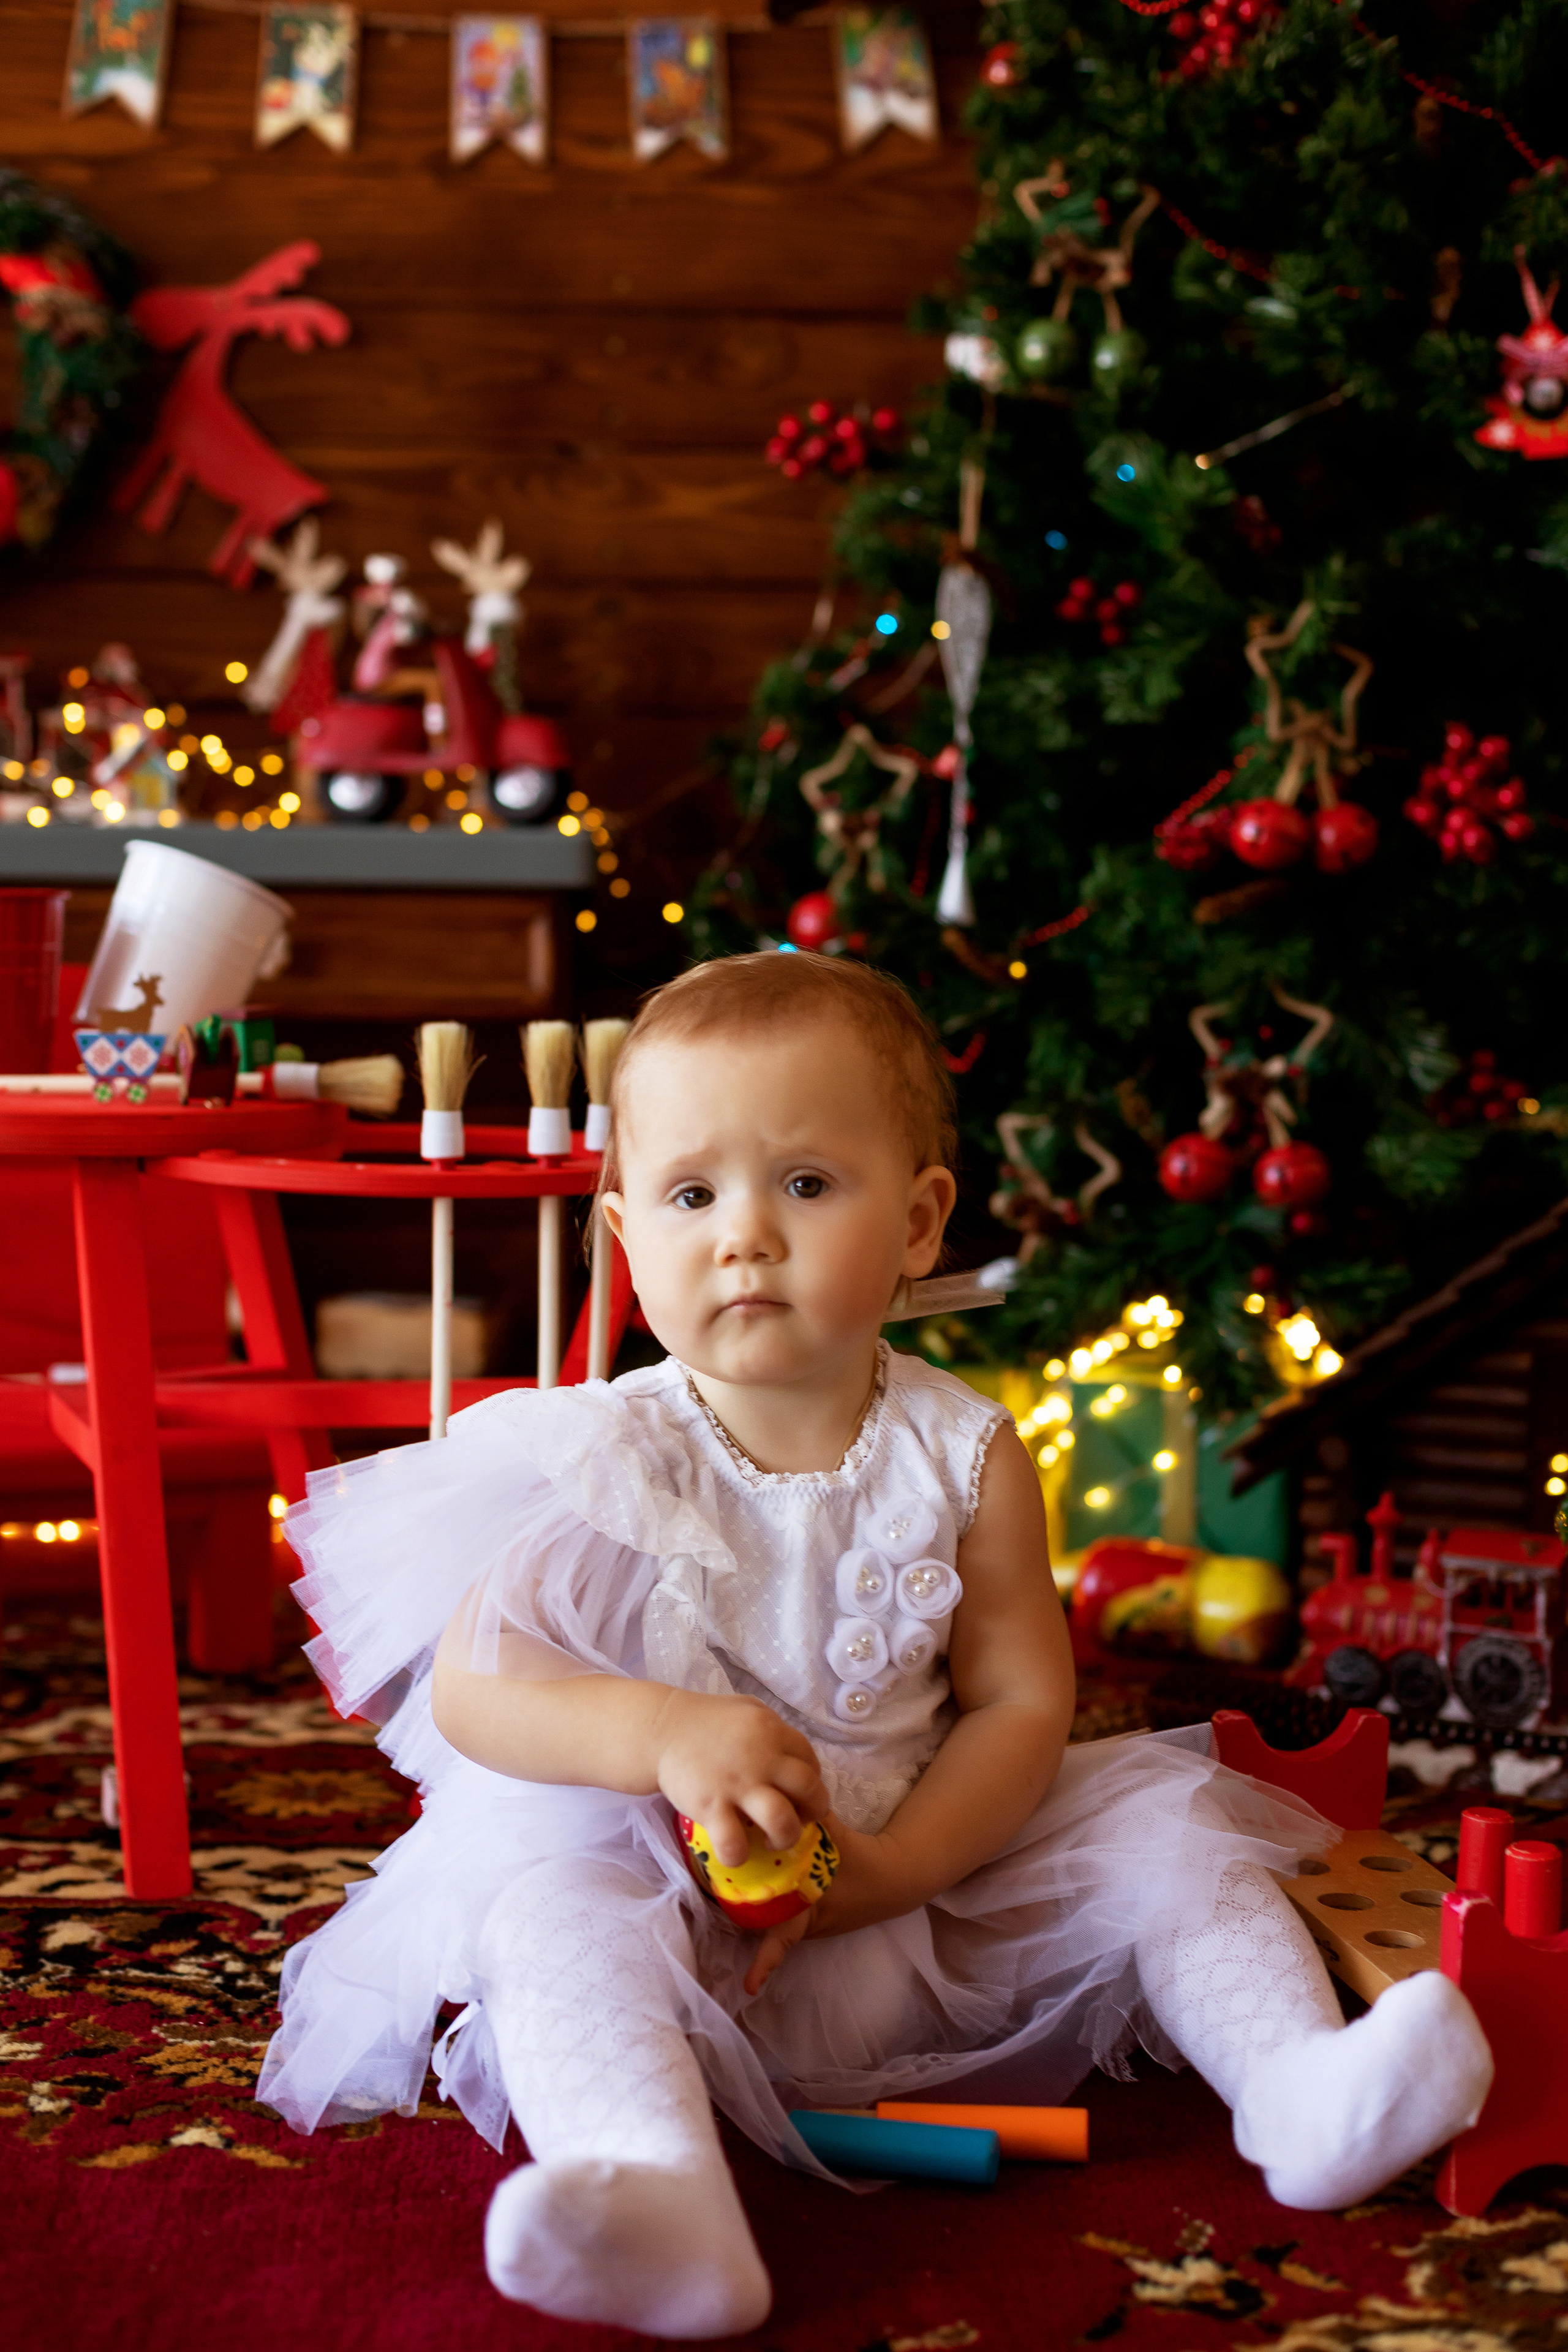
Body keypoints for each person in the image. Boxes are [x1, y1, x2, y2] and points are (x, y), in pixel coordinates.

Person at [258, 952, 1492, 2339]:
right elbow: (484, 1696)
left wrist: (899, 1868)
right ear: (621, 1241)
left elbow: (1022, 1702)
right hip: (673, 1888)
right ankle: (658, 2199)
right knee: (548, 1918)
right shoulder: (593, 1453)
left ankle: (1300, 2089)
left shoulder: (962, 1451)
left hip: (924, 1882)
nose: (742, 1235)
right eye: (688, 1194)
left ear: (916, 1224)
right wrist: (663, 1736)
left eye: (801, 1184)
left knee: (1164, 1833)